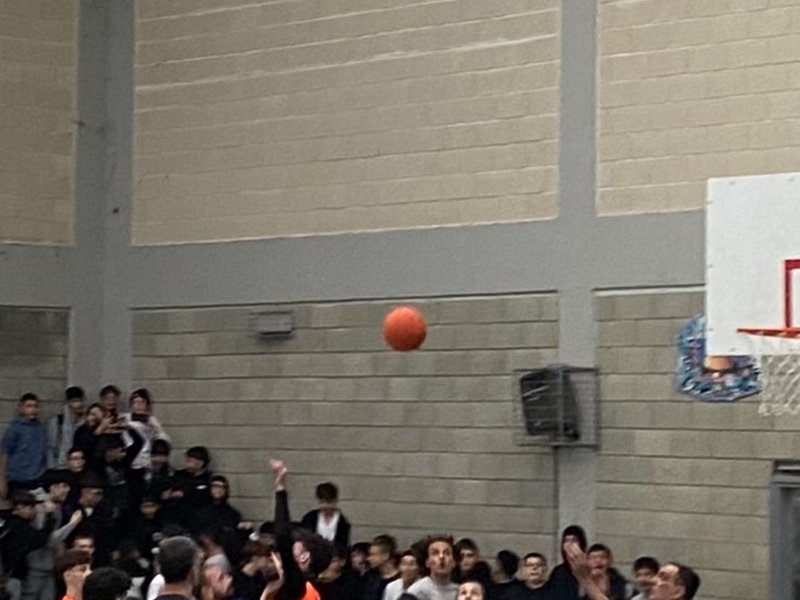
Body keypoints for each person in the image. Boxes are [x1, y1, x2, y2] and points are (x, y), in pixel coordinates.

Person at [270, 458, 333, 600]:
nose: (289, 546)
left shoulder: (297, 585)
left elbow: (282, 536)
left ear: (304, 557)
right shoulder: (310, 588)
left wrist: (280, 490)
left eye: (294, 545)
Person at [24, 470, 84, 600]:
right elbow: (47, 540)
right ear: (53, 487)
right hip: (34, 566)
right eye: (64, 486)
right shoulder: (39, 508)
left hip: (48, 566)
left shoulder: (56, 507)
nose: (67, 490)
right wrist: (72, 524)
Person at [1, 490, 57, 600]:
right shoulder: (19, 526)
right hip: (10, 576)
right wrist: (50, 517)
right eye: (31, 508)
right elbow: (40, 539)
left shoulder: (7, 522)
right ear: (20, 507)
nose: (34, 511)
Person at [0, 394, 48, 498]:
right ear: (21, 408)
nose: (33, 410)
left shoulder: (41, 428)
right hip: (18, 479)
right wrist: (2, 481)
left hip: (37, 480)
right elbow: (4, 455)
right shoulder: (14, 429)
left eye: (35, 406)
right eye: (29, 406)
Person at [406, 536, 458, 600]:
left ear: (454, 562)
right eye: (435, 553)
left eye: (447, 553)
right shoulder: (417, 591)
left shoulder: (460, 591)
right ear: (427, 563)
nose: (441, 557)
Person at [300, 483, 350, 548]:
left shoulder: (343, 523)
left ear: (335, 501)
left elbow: (343, 546)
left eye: (329, 502)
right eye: (323, 502)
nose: (326, 506)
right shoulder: (309, 519)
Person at [48, 387, 86, 469]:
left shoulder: (87, 422)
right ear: (68, 403)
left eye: (80, 401)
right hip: (61, 467)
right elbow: (51, 449)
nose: (79, 404)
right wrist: (52, 469)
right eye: (75, 401)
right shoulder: (57, 422)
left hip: (80, 469)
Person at [547, 525, 587, 600]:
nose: (569, 545)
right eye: (566, 540)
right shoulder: (558, 572)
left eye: (574, 540)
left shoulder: (591, 569)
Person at [365, 535, 399, 600]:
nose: (368, 559)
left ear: (386, 556)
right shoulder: (371, 578)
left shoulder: (399, 580)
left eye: (373, 555)